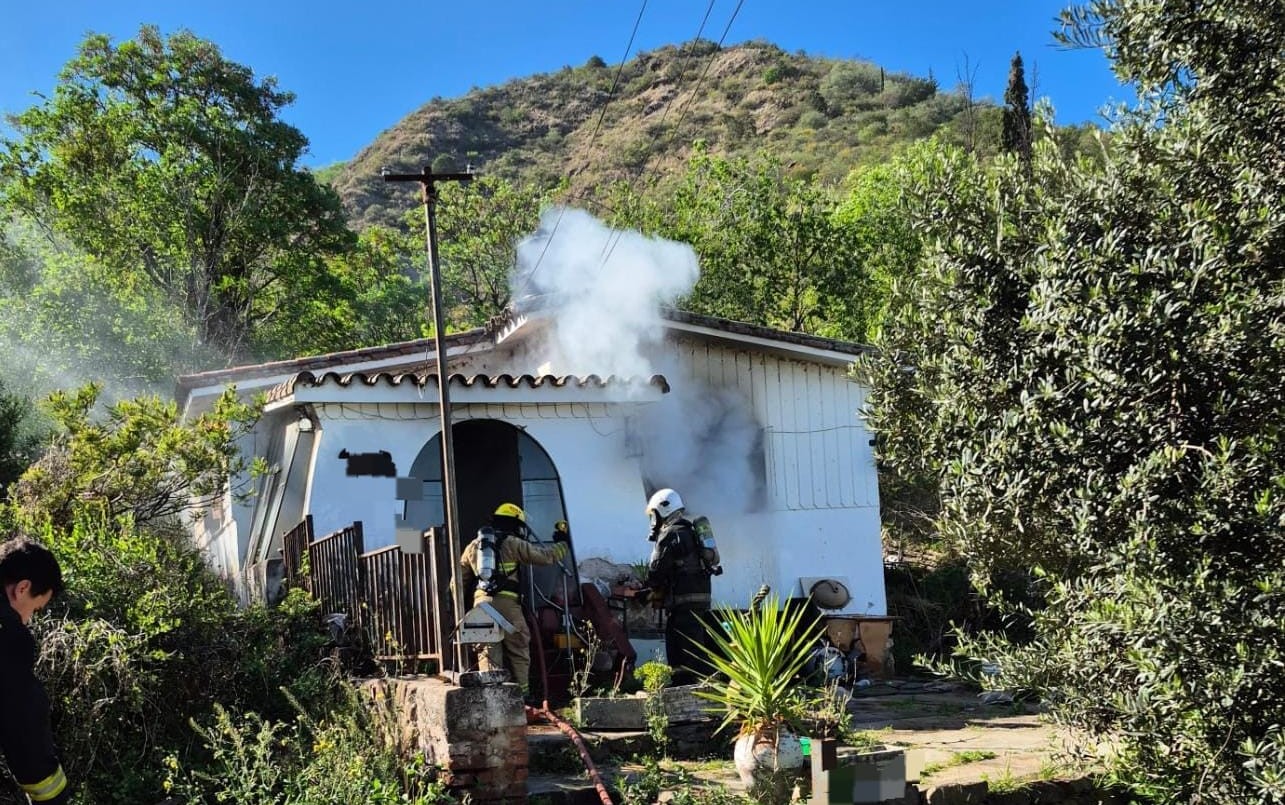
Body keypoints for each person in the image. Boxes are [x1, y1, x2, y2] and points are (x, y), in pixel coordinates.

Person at [458, 503, 570, 696]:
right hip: (507, 605)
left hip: (481, 606)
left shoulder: (473, 546)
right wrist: (562, 543)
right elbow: (545, 557)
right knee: (518, 648)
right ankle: (522, 696)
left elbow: (457, 582)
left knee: (487, 652)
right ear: (514, 524)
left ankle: (492, 697)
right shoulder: (513, 543)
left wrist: (459, 609)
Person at [0, 538, 70, 805]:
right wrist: (52, 794)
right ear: (22, 588)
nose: (28, 619)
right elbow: (23, 725)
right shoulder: (9, 637)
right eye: (35, 608)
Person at [643, 488, 719, 686]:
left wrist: (648, 587)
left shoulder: (670, 534)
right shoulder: (691, 532)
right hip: (700, 601)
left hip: (682, 603)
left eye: (654, 515)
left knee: (683, 653)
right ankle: (689, 689)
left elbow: (656, 571)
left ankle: (696, 692)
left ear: (663, 510)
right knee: (694, 647)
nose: (653, 521)